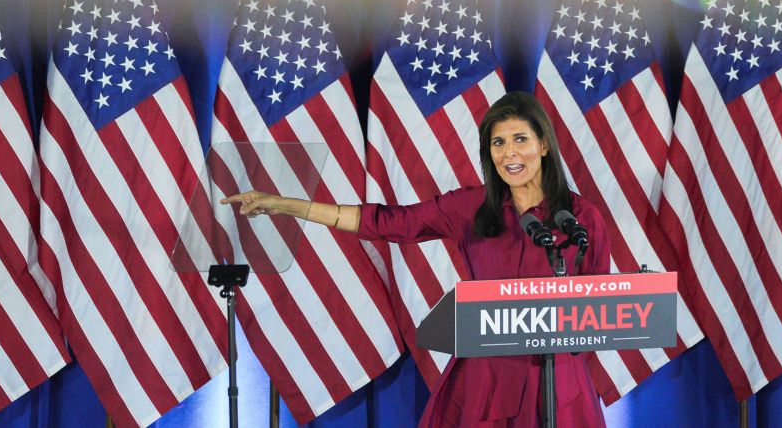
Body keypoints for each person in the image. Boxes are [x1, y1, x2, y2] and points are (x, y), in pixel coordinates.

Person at [221, 90, 610, 427]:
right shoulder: (470, 207)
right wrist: (287, 205)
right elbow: (390, 222)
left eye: (520, 139)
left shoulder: (581, 217)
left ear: (543, 144)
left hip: (559, 382)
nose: (509, 153)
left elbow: (600, 302)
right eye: (498, 143)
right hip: (486, 382)